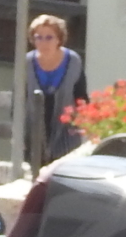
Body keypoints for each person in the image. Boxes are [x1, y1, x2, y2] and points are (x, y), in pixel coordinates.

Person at [23, 13, 87, 170]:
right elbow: (18, 99)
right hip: (34, 133)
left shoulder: (73, 61)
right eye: (39, 37)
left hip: (66, 134)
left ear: (59, 38)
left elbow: (81, 98)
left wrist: (82, 125)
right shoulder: (26, 63)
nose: (43, 42)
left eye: (49, 37)